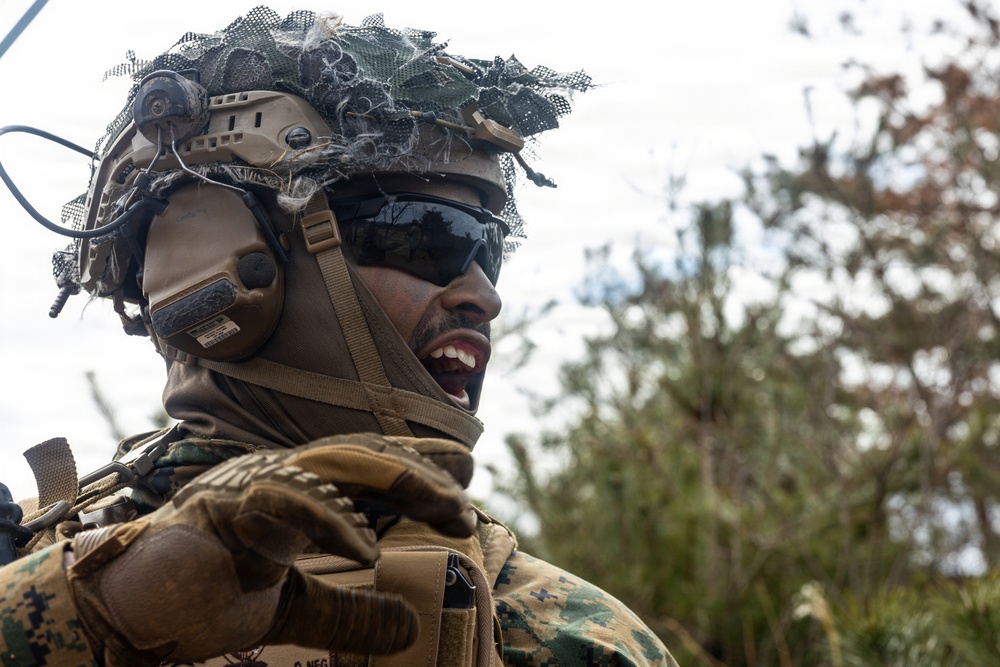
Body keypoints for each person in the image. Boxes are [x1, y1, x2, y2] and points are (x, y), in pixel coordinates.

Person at [0, 8, 677, 666]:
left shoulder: (562, 637)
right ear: (212, 261)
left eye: (489, 251)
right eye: (426, 236)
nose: (483, 295)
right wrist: (69, 617)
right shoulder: (28, 569)